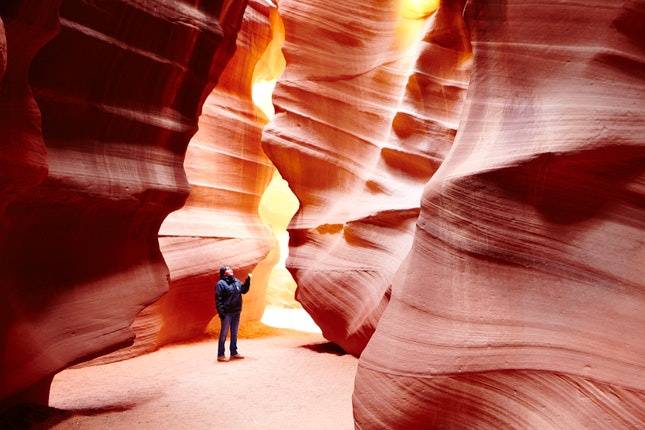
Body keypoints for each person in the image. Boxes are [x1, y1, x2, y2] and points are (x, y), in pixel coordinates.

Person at [215, 265, 251, 362]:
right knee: (224, 334)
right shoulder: (220, 284)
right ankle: (220, 354)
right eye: (227, 269)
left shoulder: (236, 281)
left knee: (234, 333)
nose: (230, 270)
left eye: (230, 268)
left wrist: (247, 281)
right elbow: (218, 300)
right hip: (226, 313)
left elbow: (243, 290)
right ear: (223, 272)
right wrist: (221, 313)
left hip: (236, 312)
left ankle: (234, 352)